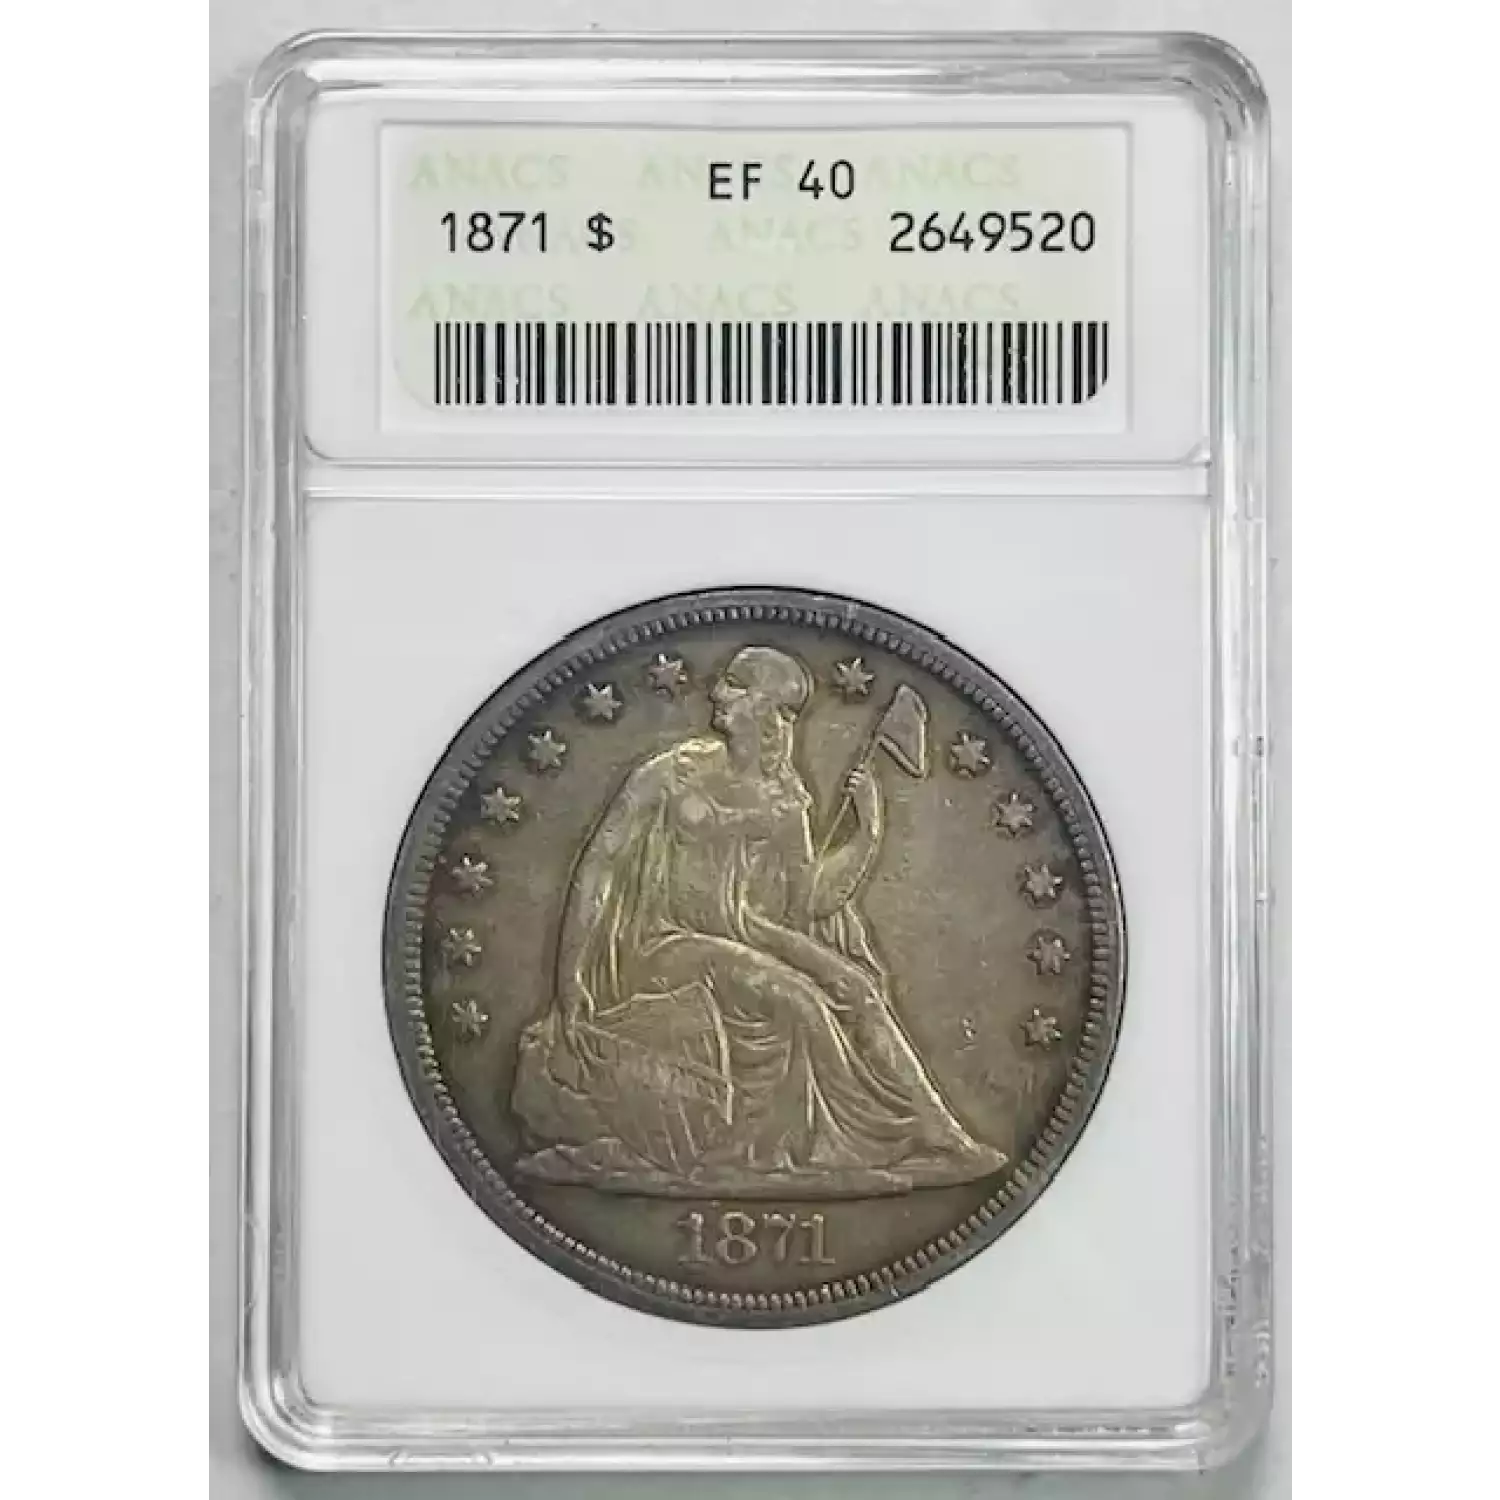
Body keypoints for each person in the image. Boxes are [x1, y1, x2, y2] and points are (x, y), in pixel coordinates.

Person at [510, 645, 1005, 1196]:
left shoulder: (785, 797)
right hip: (662, 944)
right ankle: (832, 1150)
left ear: (767, 708)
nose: (717, 693)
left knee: (857, 990)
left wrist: (866, 833)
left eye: (736, 684)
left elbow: (808, 901)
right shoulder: (671, 775)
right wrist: (570, 978)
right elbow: (599, 866)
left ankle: (938, 1136)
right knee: (798, 1001)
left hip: (744, 931)